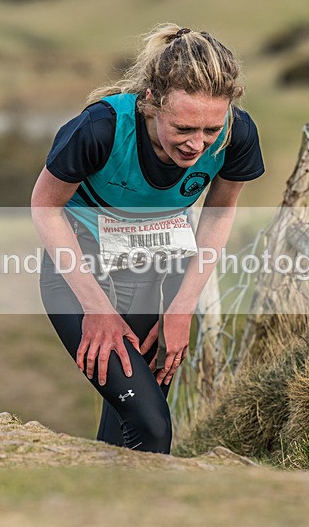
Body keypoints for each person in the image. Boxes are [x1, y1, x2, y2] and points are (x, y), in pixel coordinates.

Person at [31, 23, 265, 454]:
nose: (197, 145)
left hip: (160, 273)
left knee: (130, 423)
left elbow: (219, 214)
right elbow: (44, 206)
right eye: (184, 128)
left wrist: (182, 307)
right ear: (153, 101)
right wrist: (97, 308)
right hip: (81, 272)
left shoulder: (238, 134)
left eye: (210, 130)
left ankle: (109, 493)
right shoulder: (100, 128)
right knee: (152, 426)